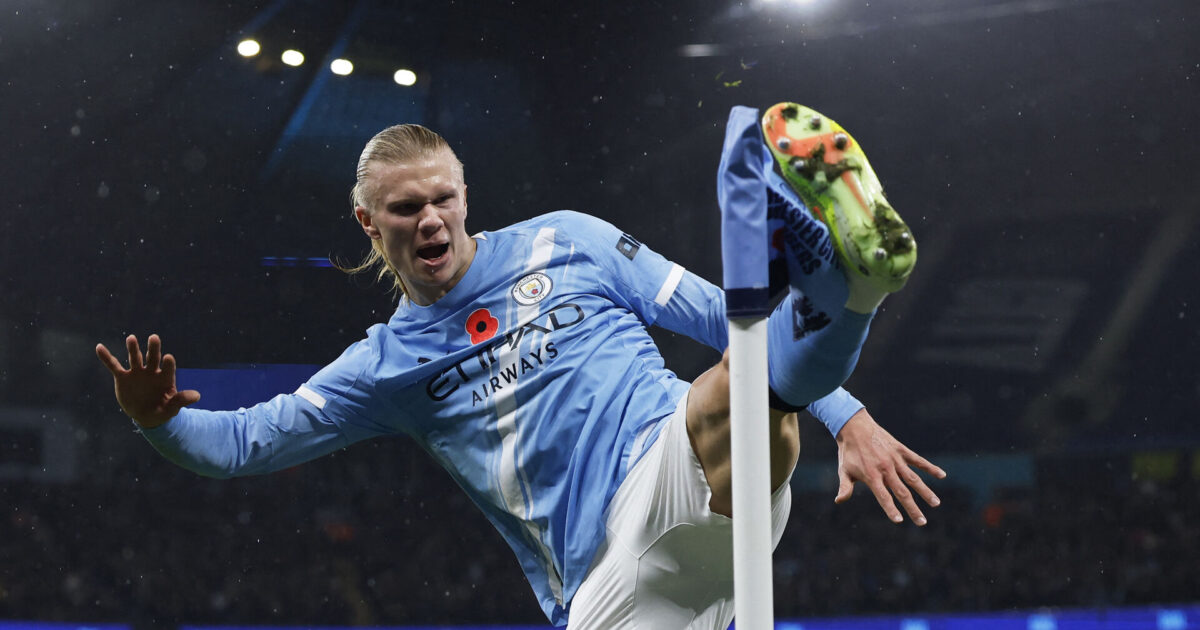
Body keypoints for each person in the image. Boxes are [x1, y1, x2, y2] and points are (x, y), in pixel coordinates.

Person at [96, 103, 945, 629]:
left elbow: (722, 316)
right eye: (406, 209)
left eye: (444, 199)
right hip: (609, 577)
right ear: (369, 223)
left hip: (671, 464)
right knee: (752, 399)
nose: (431, 220)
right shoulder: (383, 366)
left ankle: (854, 290)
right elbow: (240, 444)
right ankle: (841, 301)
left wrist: (852, 418)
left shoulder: (569, 240)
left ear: (465, 195)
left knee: (745, 396)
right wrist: (157, 418)